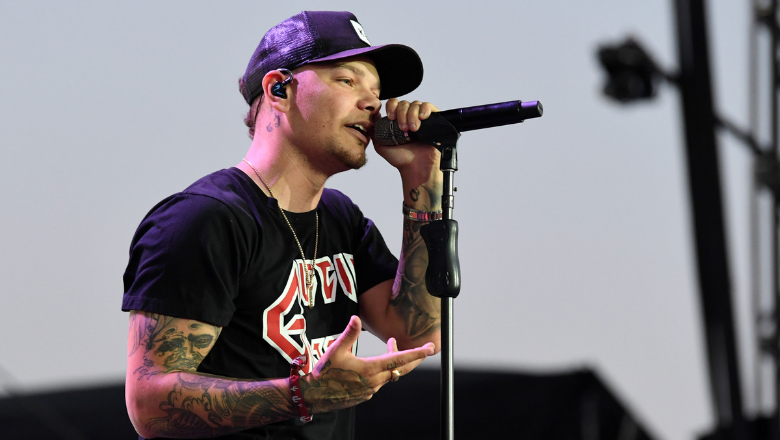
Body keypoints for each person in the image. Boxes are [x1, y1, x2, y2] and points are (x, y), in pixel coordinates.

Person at [122, 10, 443, 440]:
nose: (372, 104)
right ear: (279, 89)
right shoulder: (205, 219)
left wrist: (422, 181)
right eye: (347, 81)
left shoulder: (341, 219)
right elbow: (149, 406)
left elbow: (419, 335)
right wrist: (301, 394)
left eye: (377, 92)